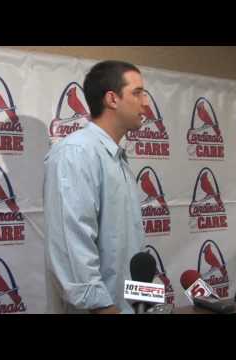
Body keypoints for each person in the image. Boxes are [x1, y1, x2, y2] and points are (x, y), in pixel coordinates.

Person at [43, 60, 148, 314]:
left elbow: (127, 251)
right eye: (137, 93)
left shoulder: (116, 158)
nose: (146, 103)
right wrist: (104, 308)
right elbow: (72, 246)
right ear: (112, 99)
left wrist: (147, 301)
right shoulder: (75, 154)